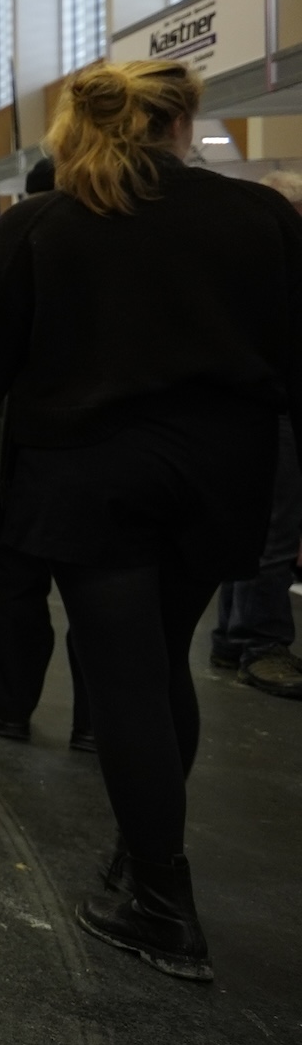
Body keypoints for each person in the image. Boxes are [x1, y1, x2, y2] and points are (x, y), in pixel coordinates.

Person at [0, 63, 302, 979]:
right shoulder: (262, 217)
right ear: (183, 121)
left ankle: (162, 902)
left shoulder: (45, 223)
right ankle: (143, 852)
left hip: (90, 476)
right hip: (220, 474)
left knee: (125, 675)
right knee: (162, 663)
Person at [0, 159, 89, 747]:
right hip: (85, 451)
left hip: (2, 455)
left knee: (9, 586)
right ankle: (95, 721)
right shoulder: (113, 254)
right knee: (95, 592)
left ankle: (8, 707)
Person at [207, 170, 302, 696]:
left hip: (248, 407)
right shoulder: (274, 264)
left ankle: (234, 636)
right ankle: (260, 642)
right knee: (274, 530)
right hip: (272, 405)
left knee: (257, 527)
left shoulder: (236, 264)